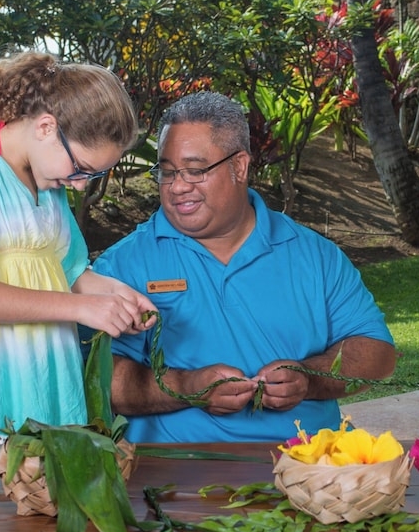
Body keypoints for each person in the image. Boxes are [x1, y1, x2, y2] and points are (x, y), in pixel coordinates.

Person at [91, 91, 396, 443]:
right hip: (170, 473)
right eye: (167, 171)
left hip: (306, 469)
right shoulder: (122, 264)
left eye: (194, 170)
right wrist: (186, 387)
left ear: (239, 166)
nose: (177, 187)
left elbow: (377, 353)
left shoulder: (314, 255)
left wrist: (309, 379)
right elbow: (100, 380)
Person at [0, 51, 157, 455]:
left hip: (46, 374)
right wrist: (80, 310)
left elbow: (73, 272)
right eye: (81, 168)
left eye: (91, 176)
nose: (79, 186)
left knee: (37, 512)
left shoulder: (48, 182)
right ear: (45, 127)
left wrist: (117, 297)